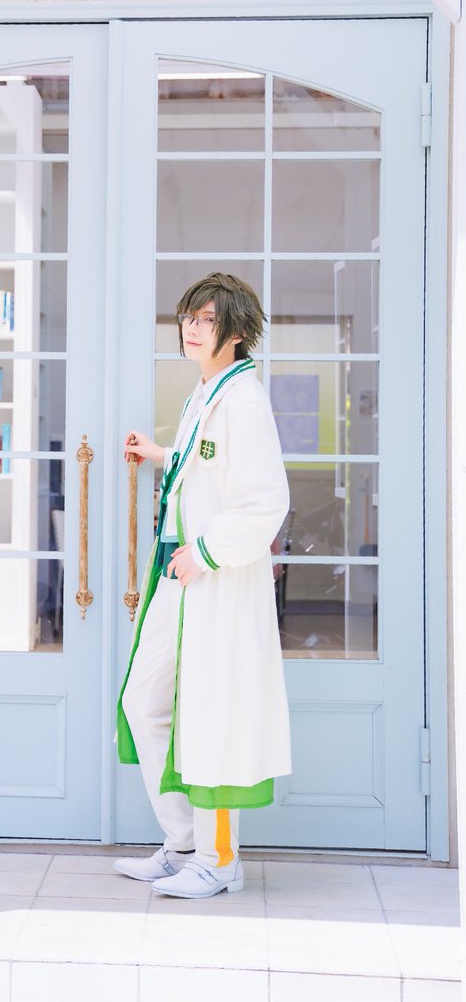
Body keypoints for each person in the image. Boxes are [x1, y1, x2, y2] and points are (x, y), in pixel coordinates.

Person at [115, 272, 291, 899]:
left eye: (207, 319)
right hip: (179, 578)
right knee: (144, 701)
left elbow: (267, 500)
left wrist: (208, 552)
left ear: (236, 331)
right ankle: (184, 843)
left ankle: (220, 861)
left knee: (212, 715)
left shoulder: (245, 401)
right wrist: (160, 454)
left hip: (213, 579)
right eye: (188, 317)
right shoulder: (206, 391)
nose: (192, 329)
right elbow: (203, 466)